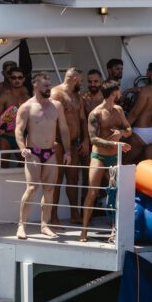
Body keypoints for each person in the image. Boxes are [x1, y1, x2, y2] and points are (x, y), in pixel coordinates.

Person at [15, 72, 70, 240]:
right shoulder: (27, 106)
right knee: (32, 187)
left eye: (50, 85)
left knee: (49, 189)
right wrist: (22, 148)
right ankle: (21, 225)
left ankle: (44, 225)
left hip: (50, 152)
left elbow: (63, 129)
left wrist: (67, 151)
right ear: (35, 85)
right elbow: (18, 130)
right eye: (46, 85)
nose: (49, 88)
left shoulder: (57, 106)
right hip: (34, 152)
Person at [80, 80, 131, 242]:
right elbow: (93, 139)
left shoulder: (119, 110)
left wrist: (121, 132)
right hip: (98, 156)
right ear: (114, 92)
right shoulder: (96, 113)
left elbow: (129, 130)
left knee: (115, 194)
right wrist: (115, 143)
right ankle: (84, 230)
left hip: (114, 156)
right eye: (119, 90)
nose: (120, 92)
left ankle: (114, 229)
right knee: (92, 192)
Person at [50, 67, 89, 225]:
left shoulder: (77, 96)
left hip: (74, 143)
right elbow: (50, 119)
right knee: (56, 180)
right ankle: (53, 217)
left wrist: (85, 139)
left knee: (73, 178)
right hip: (58, 143)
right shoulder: (56, 94)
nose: (82, 83)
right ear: (75, 79)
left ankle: (74, 214)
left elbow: (82, 119)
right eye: (81, 80)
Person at [0, 67, 30, 163]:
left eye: (20, 77)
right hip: (5, 136)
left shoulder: (27, 98)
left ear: (24, 79)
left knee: (25, 166)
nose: (17, 80)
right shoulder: (4, 96)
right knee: (1, 166)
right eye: (13, 78)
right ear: (9, 79)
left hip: (22, 137)